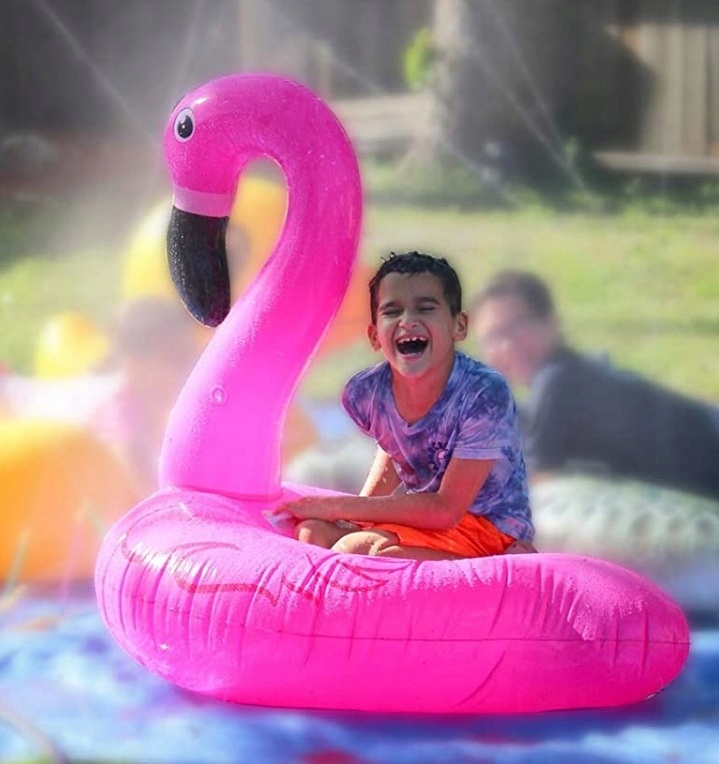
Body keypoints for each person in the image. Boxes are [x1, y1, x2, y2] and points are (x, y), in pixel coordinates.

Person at [268, 251, 536, 559]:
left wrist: (340, 507)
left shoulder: (483, 393)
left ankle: (503, 566)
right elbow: (396, 446)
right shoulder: (366, 393)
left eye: (425, 308)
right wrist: (353, 519)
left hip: (487, 527)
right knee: (312, 533)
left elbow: (446, 509)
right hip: (427, 522)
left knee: (356, 551)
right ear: (374, 336)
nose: (407, 321)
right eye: (392, 311)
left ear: (458, 326)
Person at [469, 269, 719, 500]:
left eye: (518, 326)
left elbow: (537, 491)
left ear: (552, 323)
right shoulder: (565, 378)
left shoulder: (558, 382)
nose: (508, 345)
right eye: (493, 338)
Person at [90, 297, 203, 497]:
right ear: (135, 368)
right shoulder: (119, 419)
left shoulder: (179, 403)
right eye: (175, 357)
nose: (191, 365)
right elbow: (146, 495)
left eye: (192, 353)